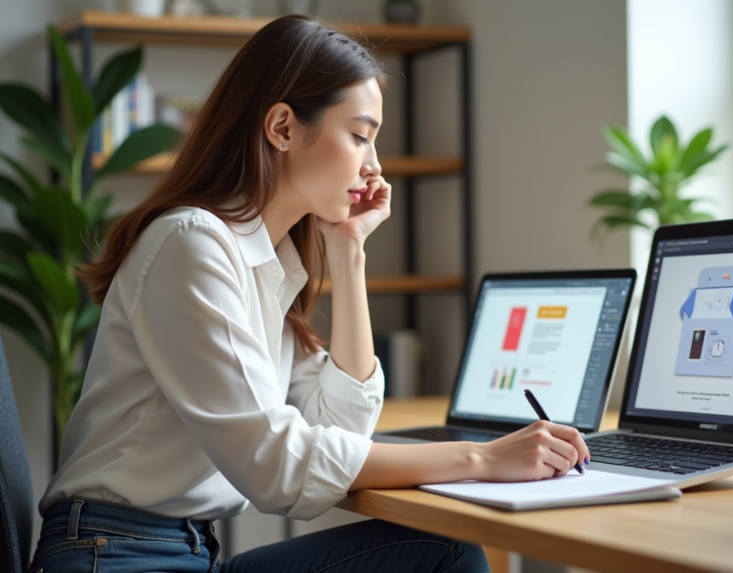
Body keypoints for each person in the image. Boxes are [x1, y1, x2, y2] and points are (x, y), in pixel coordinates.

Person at [31, 15, 589, 573]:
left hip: (186, 552)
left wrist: (349, 254)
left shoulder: (264, 265)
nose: (374, 168)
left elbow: (338, 429)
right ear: (282, 127)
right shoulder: (190, 245)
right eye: (360, 136)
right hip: (113, 556)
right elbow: (276, 465)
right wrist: (482, 458)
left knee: (443, 549)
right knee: (444, 554)